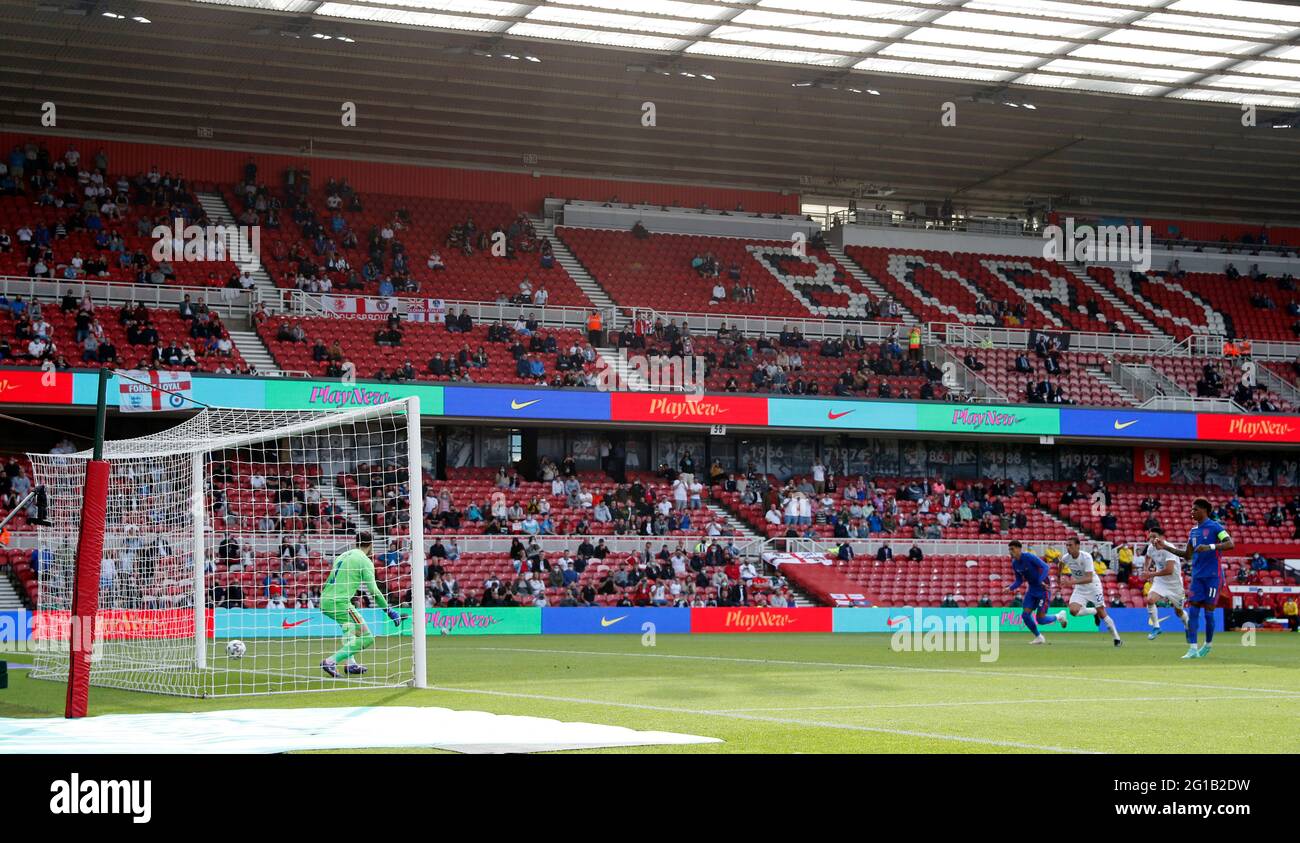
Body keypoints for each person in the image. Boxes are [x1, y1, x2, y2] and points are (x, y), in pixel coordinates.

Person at [1148, 498, 1233, 660]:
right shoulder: (1193, 531)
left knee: (1208, 613)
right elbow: (1187, 555)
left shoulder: (1216, 527)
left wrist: (1211, 547)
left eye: (1195, 509)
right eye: (1191, 510)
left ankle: (1207, 645)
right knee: (1193, 611)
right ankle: (1192, 648)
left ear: (1204, 510)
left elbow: (1230, 544)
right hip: (1197, 577)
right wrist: (1165, 547)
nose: (1191, 512)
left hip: (1213, 577)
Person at [318, 532, 401, 677]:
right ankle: (330, 661)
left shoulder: (343, 556)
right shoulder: (364, 560)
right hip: (339, 602)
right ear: (371, 545)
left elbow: (332, 581)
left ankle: (351, 664)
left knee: (350, 630)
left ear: (356, 542)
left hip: (325, 600)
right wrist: (389, 611)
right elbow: (374, 591)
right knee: (367, 637)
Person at [1059, 537, 1121, 646]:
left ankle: (1117, 639)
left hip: (1093, 586)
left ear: (1078, 546)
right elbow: (1061, 563)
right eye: (1067, 545)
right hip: (1080, 588)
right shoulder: (1066, 558)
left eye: (1070, 545)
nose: (1068, 548)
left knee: (1102, 613)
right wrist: (1060, 576)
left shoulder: (1086, 557)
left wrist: (1070, 582)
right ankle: (1094, 611)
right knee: (1073, 611)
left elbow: (1089, 578)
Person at [1006, 540, 1065, 644]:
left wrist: (1040, 580)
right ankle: (1039, 637)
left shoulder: (1028, 557)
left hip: (1043, 589)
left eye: (1013, 549)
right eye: (1009, 549)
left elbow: (1046, 567)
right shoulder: (1015, 563)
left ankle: (1059, 616)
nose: (1011, 551)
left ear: (1019, 549)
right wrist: (1010, 588)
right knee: (1025, 615)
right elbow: (1019, 580)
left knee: (1041, 620)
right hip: (1032, 589)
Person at [1140, 527, 1190, 639]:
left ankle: (1187, 625)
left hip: (1175, 585)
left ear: (1162, 537)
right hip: (1161, 582)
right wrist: (1146, 569)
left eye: (1154, 537)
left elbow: (1169, 570)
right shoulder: (1151, 548)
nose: (1152, 539)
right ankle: (1156, 627)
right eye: (1150, 537)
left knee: (1179, 612)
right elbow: (1148, 557)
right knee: (1150, 600)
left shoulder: (1169, 548)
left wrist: (1151, 575)